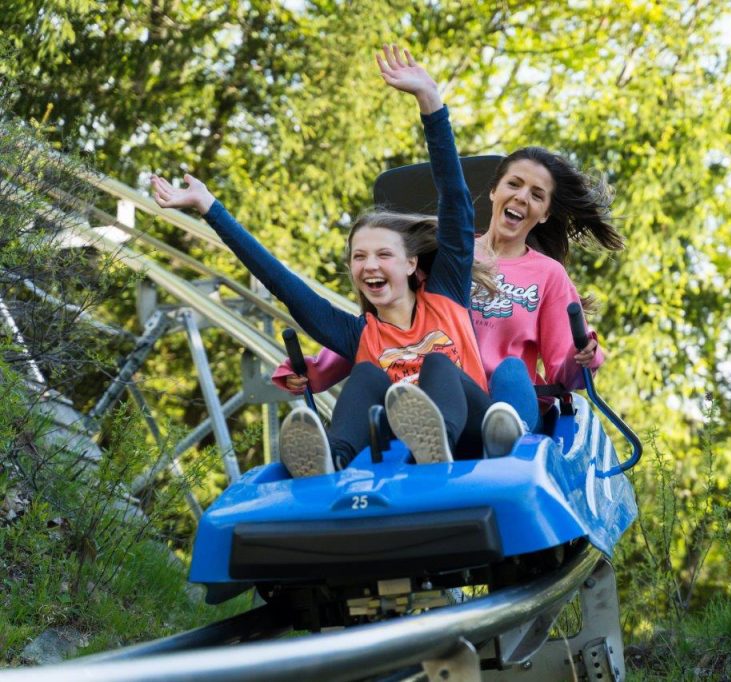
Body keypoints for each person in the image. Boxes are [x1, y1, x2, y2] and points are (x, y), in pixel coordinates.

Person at [152, 46, 532, 477]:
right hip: (400, 445)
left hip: (469, 437)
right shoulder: (359, 335)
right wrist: (210, 208)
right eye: (359, 257)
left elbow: (457, 207)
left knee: (437, 364)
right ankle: (328, 458)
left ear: (410, 264)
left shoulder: (445, 295)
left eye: (383, 254)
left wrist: (431, 103)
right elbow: (282, 282)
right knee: (368, 376)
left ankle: (437, 441)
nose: (370, 265)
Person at [275, 131, 625, 457]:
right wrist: (317, 369)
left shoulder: (548, 275)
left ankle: (506, 446)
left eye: (536, 194)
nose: (521, 197)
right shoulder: (447, 258)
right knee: (427, 365)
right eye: (514, 184)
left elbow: (565, 370)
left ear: (545, 212)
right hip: (439, 397)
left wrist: (586, 356)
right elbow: (388, 327)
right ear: (493, 191)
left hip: (506, 406)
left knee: (511, 370)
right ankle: (426, 441)